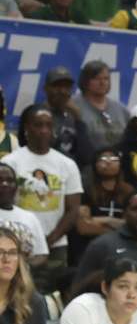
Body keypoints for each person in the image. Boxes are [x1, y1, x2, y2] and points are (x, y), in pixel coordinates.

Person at [2, 105, 82, 292]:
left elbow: (73, 209)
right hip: (15, 246)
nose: (44, 130)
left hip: (56, 245)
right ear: (27, 128)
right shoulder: (10, 162)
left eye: (48, 125)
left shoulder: (67, 164)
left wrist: (48, 241)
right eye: (38, 125)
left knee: (49, 299)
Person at [70, 60, 129, 150]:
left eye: (106, 78)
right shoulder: (72, 105)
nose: (102, 83)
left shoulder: (121, 109)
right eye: (97, 78)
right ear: (86, 81)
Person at [0, 163, 49, 263]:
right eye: (0, 180)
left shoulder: (29, 217)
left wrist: (21, 269)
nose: (5, 184)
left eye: (10, 180)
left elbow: (41, 254)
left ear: (16, 186)